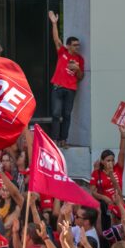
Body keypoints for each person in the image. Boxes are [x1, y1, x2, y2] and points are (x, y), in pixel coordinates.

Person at [47, 10, 84, 148]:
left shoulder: (79, 59)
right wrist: (54, 23)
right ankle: (55, 139)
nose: (77, 47)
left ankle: (64, 140)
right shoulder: (62, 52)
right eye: (75, 45)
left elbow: (80, 77)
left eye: (78, 45)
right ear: (68, 46)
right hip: (57, 87)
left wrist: (78, 69)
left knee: (67, 115)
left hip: (71, 89)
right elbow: (56, 40)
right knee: (56, 113)